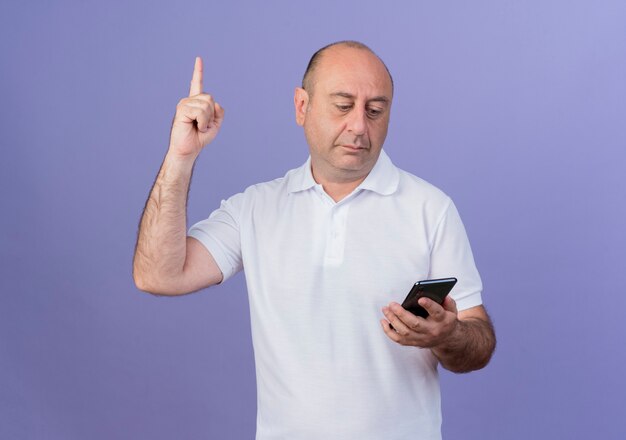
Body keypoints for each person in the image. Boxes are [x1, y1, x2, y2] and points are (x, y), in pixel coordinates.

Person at [133, 40, 496, 440]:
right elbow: (158, 275)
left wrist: (448, 335)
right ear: (301, 106)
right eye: (343, 106)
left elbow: (477, 344)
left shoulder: (431, 209)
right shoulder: (255, 208)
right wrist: (180, 156)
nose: (359, 125)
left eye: (375, 110)